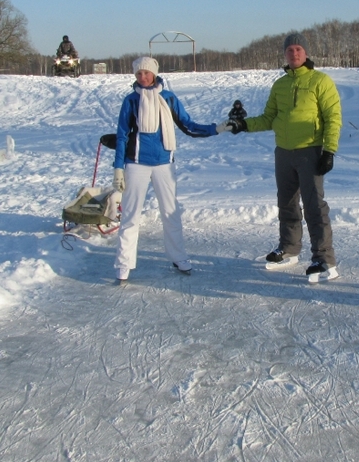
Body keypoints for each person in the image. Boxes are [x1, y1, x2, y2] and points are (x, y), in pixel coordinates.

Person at [225, 33, 342, 284]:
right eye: (290, 50)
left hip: (311, 150)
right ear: (285, 54)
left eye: (299, 49)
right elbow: (269, 118)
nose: (294, 54)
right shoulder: (280, 85)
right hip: (283, 152)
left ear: (306, 53)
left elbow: (333, 117)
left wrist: (329, 150)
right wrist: (243, 124)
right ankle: (289, 248)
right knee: (287, 202)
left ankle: (324, 258)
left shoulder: (321, 81)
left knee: (314, 206)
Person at [112, 56, 228, 282]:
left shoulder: (168, 98)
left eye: (146, 73)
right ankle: (124, 264)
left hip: (165, 163)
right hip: (136, 164)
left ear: (154, 73)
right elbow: (122, 135)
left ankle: (178, 256)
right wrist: (118, 167)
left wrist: (218, 128)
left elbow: (189, 125)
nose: (143, 77)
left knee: (171, 213)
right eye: (138, 74)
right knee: (130, 215)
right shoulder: (131, 101)